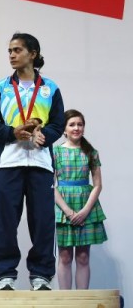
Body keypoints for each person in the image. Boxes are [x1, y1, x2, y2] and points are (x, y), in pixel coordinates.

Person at [0, 33, 65, 291]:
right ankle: (5, 275)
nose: (11, 55)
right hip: (9, 162)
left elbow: (58, 124)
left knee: (42, 222)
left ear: (33, 53)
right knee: (6, 222)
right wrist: (12, 132)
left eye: (17, 50)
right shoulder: (0, 88)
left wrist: (45, 136)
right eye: (9, 51)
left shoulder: (50, 88)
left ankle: (41, 276)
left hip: (40, 164)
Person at [54, 109, 107, 289]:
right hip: (63, 207)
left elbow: (98, 184)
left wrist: (85, 211)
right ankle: (66, 301)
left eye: (80, 124)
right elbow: (51, 185)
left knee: (83, 256)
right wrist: (68, 212)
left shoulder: (91, 152)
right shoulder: (55, 152)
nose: (76, 128)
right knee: (65, 256)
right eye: (72, 124)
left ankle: (82, 301)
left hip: (87, 205)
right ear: (64, 129)